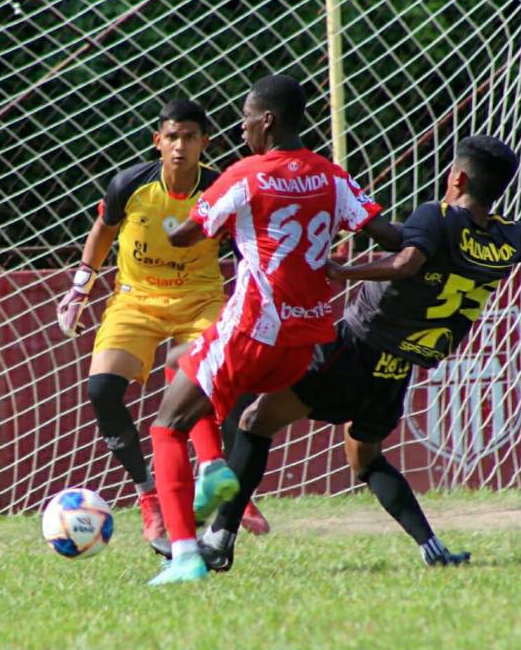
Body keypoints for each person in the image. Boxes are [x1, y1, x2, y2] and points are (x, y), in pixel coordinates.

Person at [197, 133, 521, 571]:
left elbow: (406, 264)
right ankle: (431, 547)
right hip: (398, 368)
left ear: (457, 176)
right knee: (364, 456)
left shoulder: (435, 217)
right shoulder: (507, 238)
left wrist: (343, 271)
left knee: (254, 421)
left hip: (355, 349)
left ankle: (218, 539)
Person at [146, 73, 403, 584]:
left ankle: (185, 556)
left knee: (166, 424)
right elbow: (388, 233)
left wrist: (173, 225)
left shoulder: (246, 175)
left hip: (253, 330)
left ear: (267, 120)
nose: (242, 131)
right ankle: (215, 469)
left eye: (245, 121)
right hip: (304, 344)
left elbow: (185, 236)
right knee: (188, 365)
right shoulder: (332, 177)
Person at [56, 99, 269, 552]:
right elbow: (103, 229)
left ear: (204, 143)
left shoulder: (220, 188)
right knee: (101, 390)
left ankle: (227, 485)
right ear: (158, 141)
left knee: (216, 386)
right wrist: (80, 287)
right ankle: (148, 492)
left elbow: (249, 245)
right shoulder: (129, 185)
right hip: (136, 301)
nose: (180, 146)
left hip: (200, 302)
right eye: (172, 137)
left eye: (190, 137)